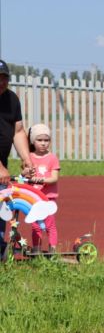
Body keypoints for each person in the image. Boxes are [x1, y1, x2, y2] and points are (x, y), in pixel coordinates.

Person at [0, 59, 34, 254]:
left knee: (2, 206)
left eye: (5, 78)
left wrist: (26, 158)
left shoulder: (12, 99)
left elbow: (18, 131)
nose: (1, 82)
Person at [28, 124, 60, 253]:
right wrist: (26, 173)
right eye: (39, 140)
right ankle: (36, 250)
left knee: (49, 224)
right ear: (33, 141)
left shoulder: (52, 158)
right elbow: (26, 175)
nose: (43, 143)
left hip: (48, 198)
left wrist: (39, 180)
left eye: (46, 140)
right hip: (34, 198)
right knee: (35, 225)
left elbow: (54, 178)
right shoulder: (29, 157)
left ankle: (52, 249)